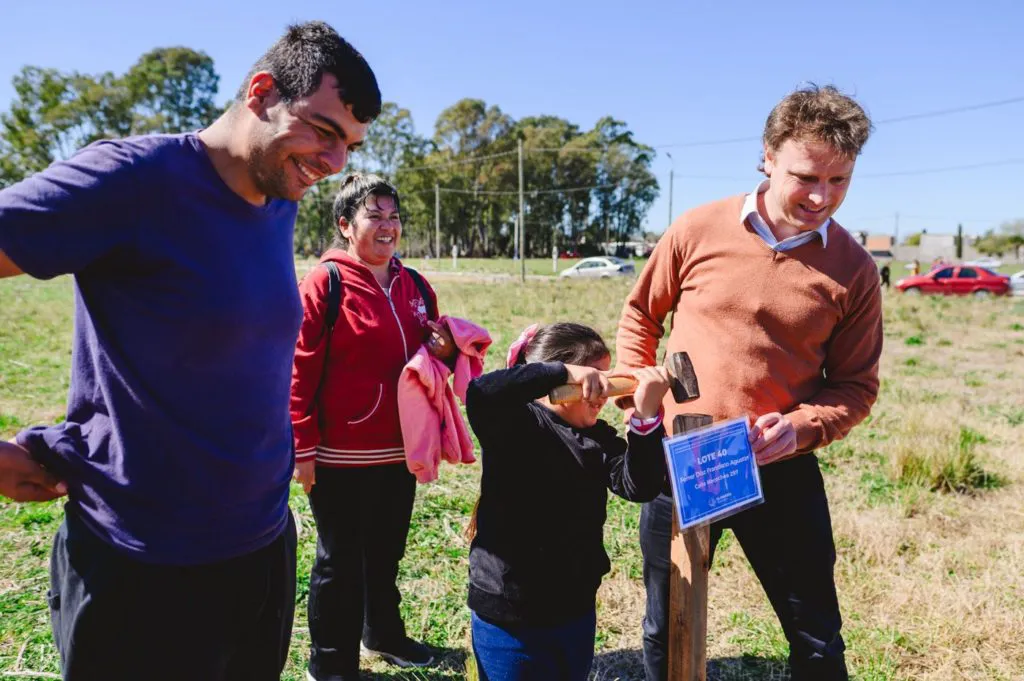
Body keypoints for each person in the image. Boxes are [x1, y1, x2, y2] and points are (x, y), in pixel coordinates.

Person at [0, 21, 379, 681]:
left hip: (261, 548)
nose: (335, 162)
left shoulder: (278, 196)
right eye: (323, 131)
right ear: (262, 92)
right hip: (142, 565)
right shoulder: (133, 180)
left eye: (349, 144)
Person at [616, 85, 882, 681]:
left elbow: (855, 387)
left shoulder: (855, 271)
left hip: (779, 468)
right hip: (682, 461)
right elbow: (640, 316)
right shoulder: (697, 229)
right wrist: (640, 396)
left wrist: (801, 427)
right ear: (767, 156)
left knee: (816, 632)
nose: (821, 196)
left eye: (839, 180)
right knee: (667, 625)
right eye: (806, 176)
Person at [290, 174, 451, 681]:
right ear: (345, 225)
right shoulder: (325, 283)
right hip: (339, 454)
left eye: (394, 216)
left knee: (385, 553)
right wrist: (302, 447)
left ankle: (383, 635)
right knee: (339, 560)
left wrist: (446, 349)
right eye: (374, 216)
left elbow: (433, 358)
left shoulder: (415, 284)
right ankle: (330, 664)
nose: (388, 226)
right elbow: (298, 369)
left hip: (401, 448)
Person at [465, 322, 671, 681]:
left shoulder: (597, 439)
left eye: (606, 379)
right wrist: (562, 372)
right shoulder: (515, 423)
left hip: (573, 610)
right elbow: (482, 392)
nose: (603, 393)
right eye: (594, 381)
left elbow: (639, 486)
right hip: (509, 616)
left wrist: (645, 418)